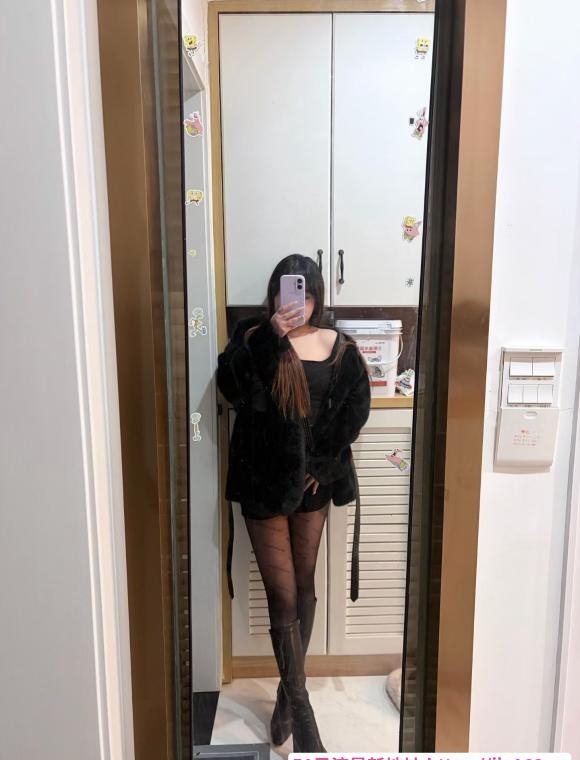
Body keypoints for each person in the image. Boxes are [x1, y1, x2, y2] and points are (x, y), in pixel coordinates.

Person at [217, 254, 371, 752]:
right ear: (274, 295)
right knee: (281, 596)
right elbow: (232, 389)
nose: (297, 305)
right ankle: (303, 713)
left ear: (317, 298)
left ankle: (286, 696)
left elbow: (355, 410)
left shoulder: (338, 347)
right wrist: (271, 337)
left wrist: (322, 466)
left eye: (306, 295)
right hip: (262, 483)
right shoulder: (252, 336)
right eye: (288, 293)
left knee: (304, 588)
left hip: (311, 487)